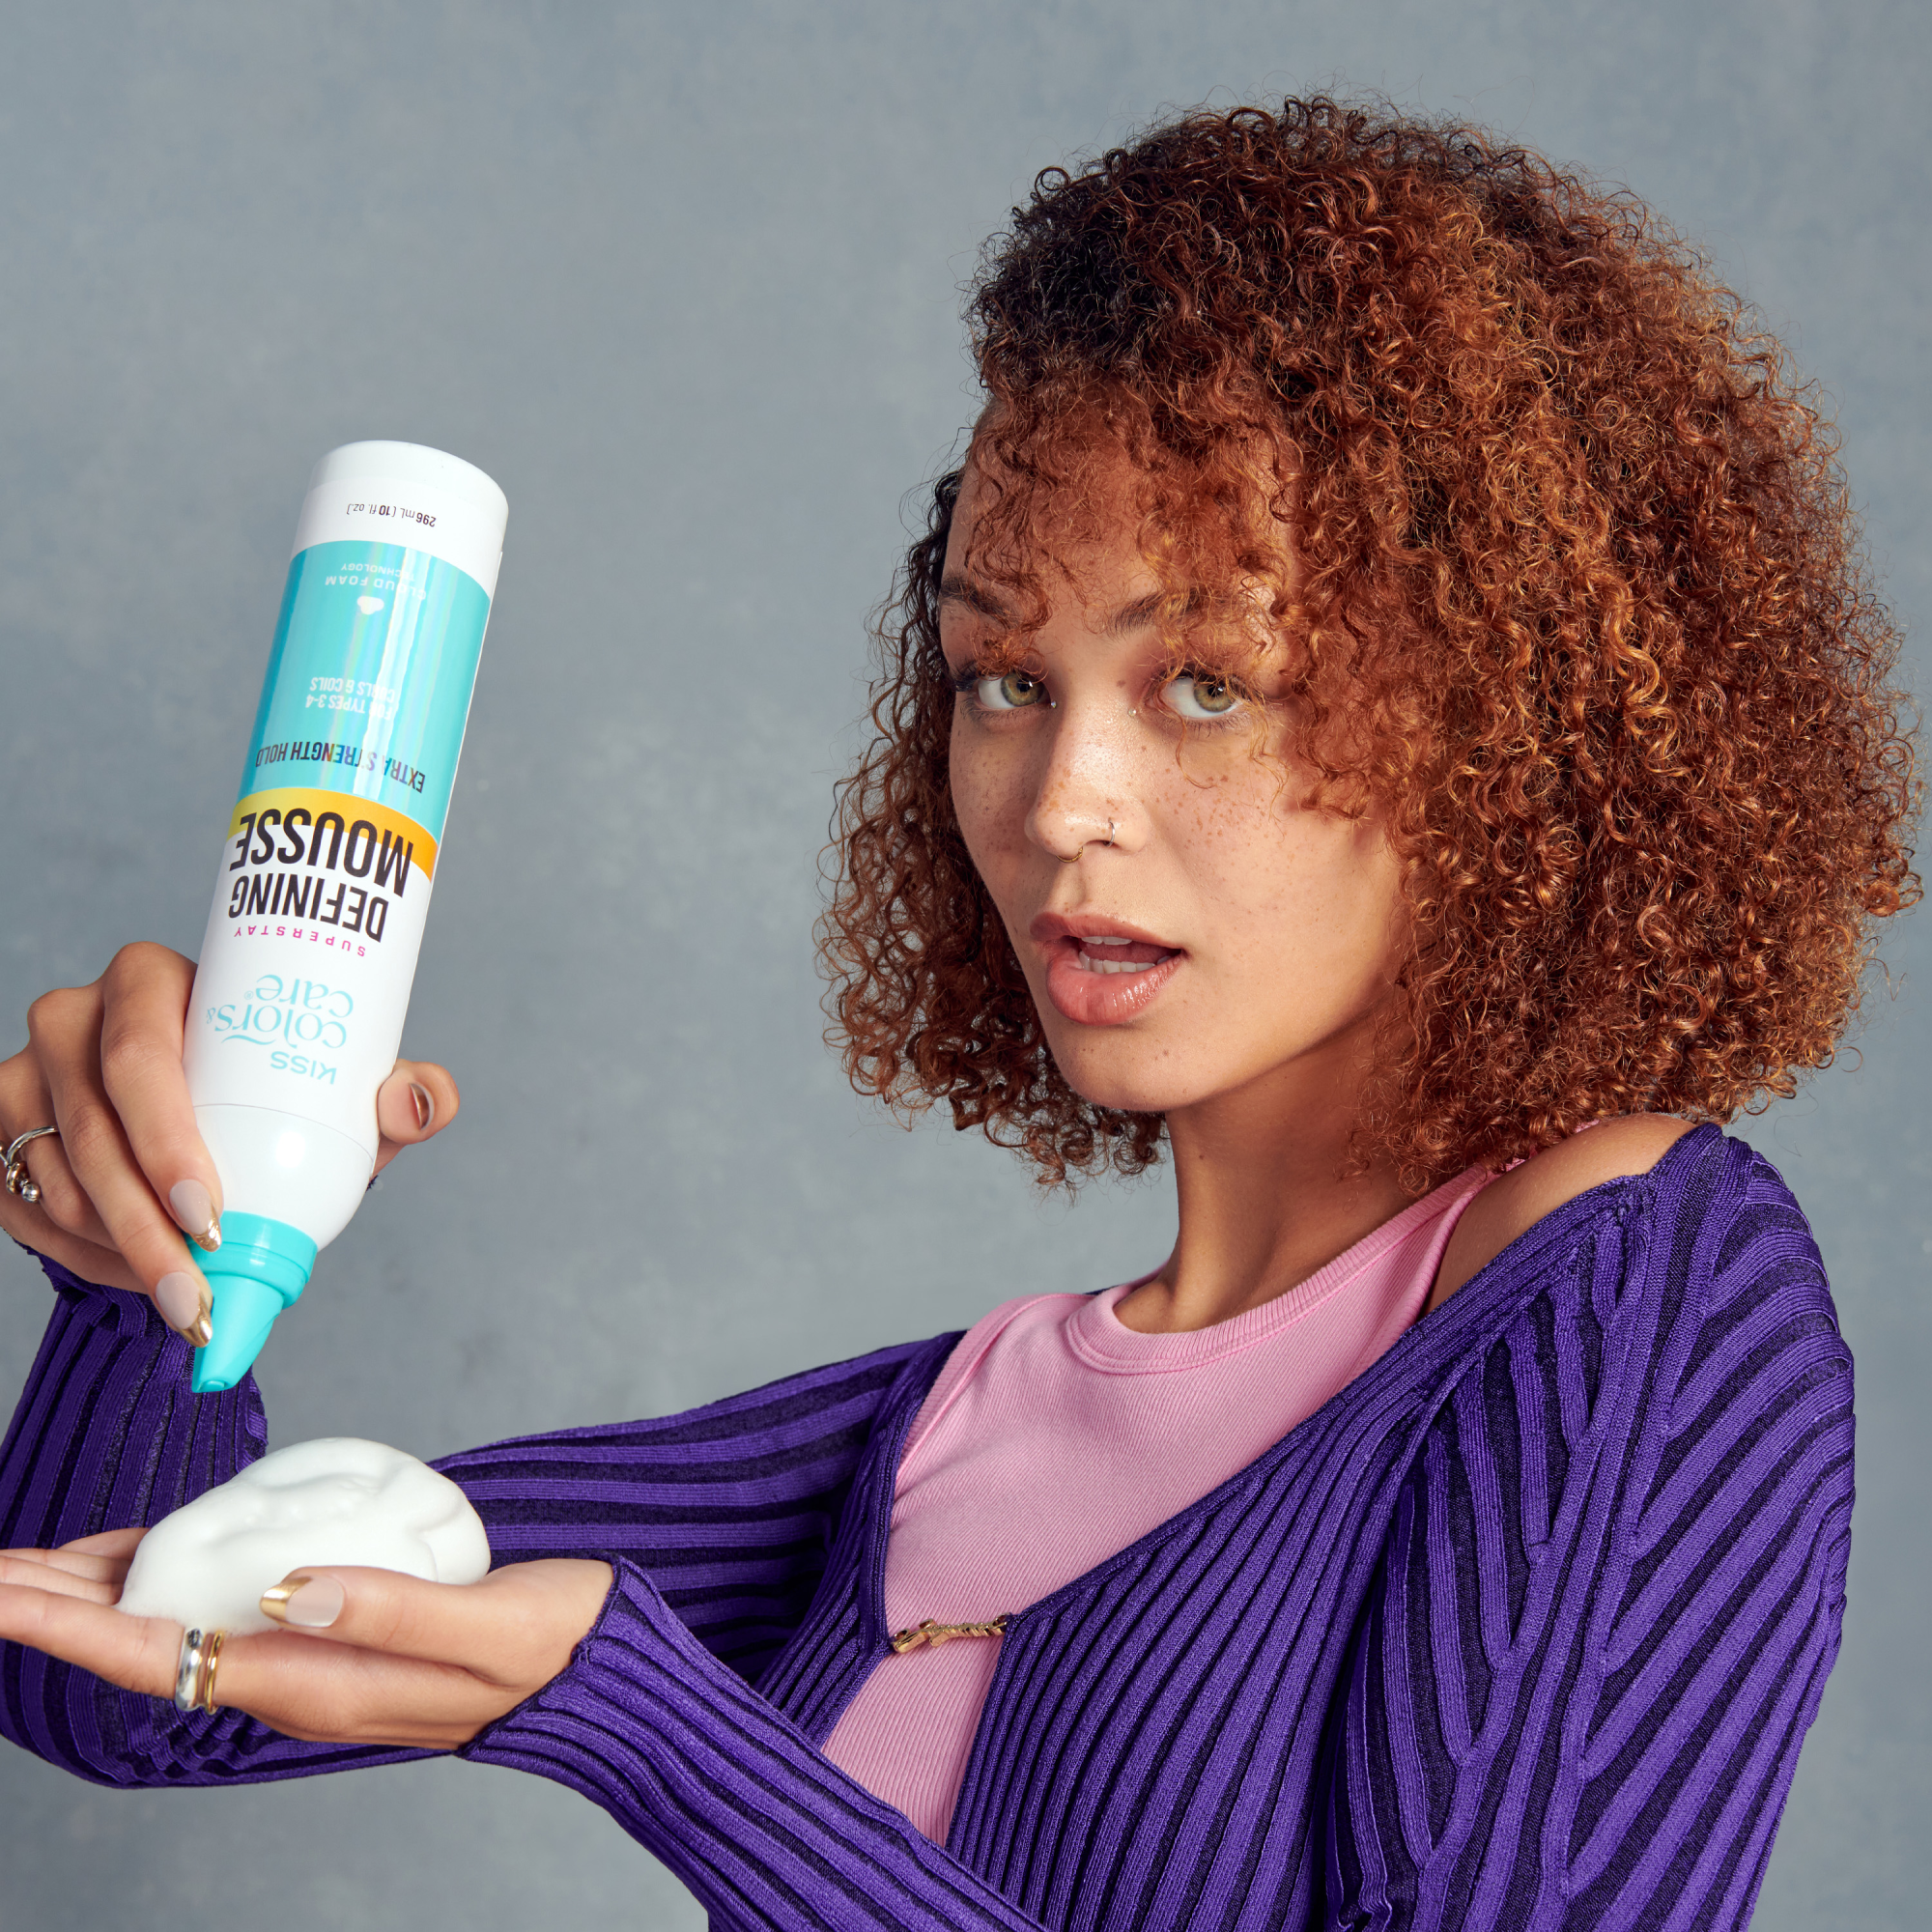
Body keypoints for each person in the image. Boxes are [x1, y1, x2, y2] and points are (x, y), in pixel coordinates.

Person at [0, 98, 1915, 1930]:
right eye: (1001, 677)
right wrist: (141, 1268)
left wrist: (656, 1732)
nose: (1059, 796)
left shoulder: (1647, 1290)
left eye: (1205, 683)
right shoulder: (946, 1432)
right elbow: (135, 1687)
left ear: (1503, 720)